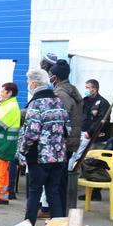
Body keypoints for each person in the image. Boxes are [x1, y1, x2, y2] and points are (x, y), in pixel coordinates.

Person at [17, 69, 70, 225]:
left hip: (39, 157)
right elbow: (68, 129)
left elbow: (32, 132)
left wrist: (22, 150)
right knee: (53, 192)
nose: (28, 84)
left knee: (34, 193)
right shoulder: (59, 101)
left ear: (33, 82)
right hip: (59, 156)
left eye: (28, 82)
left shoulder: (35, 103)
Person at [43, 58, 82, 212]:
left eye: (50, 74)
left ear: (55, 77)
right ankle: (59, 213)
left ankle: (58, 215)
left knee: (57, 182)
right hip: (70, 142)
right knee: (60, 180)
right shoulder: (70, 90)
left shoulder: (61, 95)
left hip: (62, 143)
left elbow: (58, 121)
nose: (49, 77)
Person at [69, 79, 111, 170]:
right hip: (79, 132)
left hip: (89, 135)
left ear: (94, 89)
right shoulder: (84, 100)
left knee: (80, 156)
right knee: (72, 154)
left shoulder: (103, 103)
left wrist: (90, 132)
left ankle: (76, 175)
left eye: (87, 88)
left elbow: (102, 120)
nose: (86, 90)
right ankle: (70, 174)